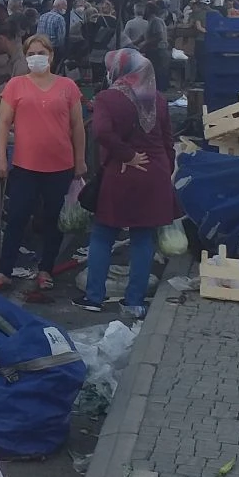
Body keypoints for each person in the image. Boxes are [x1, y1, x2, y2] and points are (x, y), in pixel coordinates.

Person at [74, 49, 176, 317]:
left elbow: (101, 132)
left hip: (121, 173)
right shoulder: (158, 100)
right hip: (154, 173)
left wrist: (127, 155)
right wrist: (164, 172)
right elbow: (168, 143)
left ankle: (94, 297)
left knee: (104, 233)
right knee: (143, 239)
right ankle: (134, 302)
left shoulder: (108, 98)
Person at [0, 34, 87, 294]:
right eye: (30, 53)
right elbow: (3, 124)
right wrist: (0, 155)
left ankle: (46, 269)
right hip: (25, 165)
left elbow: (77, 126)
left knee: (53, 221)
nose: (36, 58)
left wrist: (80, 160)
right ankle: (4, 271)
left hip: (60, 165)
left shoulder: (67, 86)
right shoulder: (16, 85)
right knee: (18, 217)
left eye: (40, 52)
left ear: (51, 55)